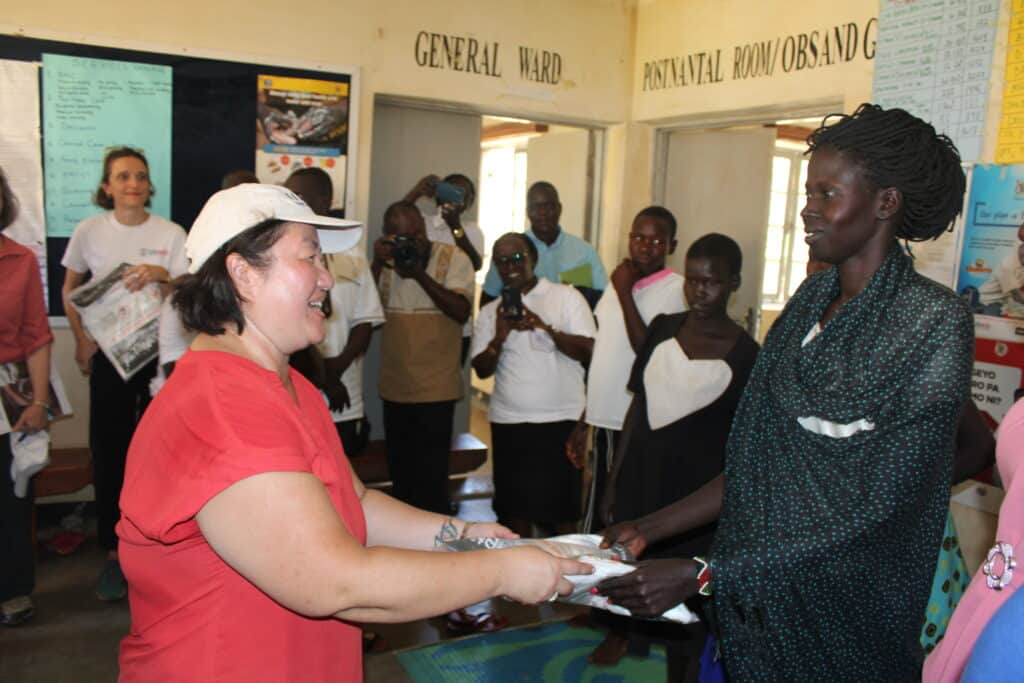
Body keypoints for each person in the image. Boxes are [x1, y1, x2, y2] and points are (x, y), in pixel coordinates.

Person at [115, 183, 590, 682]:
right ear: (242, 274)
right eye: (310, 259)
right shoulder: (224, 406)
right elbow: (333, 582)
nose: (326, 279)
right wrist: (504, 572)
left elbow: (353, 501)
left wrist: (463, 537)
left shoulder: (286, 384)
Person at [599, 103, 973, 681]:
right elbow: (757, 463)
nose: (807, 208)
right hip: (752, 613)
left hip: (843, 625)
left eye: (827, 194)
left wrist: (705, 573)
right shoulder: (804, 307)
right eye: (807, 192)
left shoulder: (929, 322)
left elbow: (879, 512)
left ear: (885, 203)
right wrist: (652, 527)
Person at [591, 234, 759, 677]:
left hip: (692, 503)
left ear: (733, 283)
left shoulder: (748, 356)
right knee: (628, 575)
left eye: (712, 283)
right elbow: (637, 407)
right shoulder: (664, 328)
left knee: (687, 612)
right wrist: (614, 478)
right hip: (641, 482)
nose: (699, 291)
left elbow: (741, 446)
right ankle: (626, 635)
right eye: (693, 280)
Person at [60, 147, 188, 602]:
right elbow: (69, 290)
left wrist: (161, 273)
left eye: (139, 176)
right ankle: (115, 555)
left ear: (149, 185)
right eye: (122, 176)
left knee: (161, 453)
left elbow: (188, 291)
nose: (132, 183)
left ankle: (159, 546)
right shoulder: (89, 231)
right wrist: (79, 338)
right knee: (111, 451)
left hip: (160, 358)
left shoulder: (171, 233)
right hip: (110, 361)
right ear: (106, 186)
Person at [566, 206, 685, 533]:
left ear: (672, 246)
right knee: (596, 503)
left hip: (630, 420)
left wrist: (623, 290)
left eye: (655, 241)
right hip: (603, 417)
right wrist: (584, 419)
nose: (644, 247)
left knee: (616, 509)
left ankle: (609, 578)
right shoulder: (622, 280)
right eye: (637, 237)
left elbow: (647, 352)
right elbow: (606, 354)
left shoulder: (676, 290)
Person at [472, 232, 596, 538]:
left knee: (562, 517)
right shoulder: (491, 312)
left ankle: (568, 578)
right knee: (514, 516)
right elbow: (481, 369)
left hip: (559, 422)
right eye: (501, 260)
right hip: (509, 423)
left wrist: (545, 327)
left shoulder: (565, 297)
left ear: (533, 259)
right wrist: (500, 337)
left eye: (516, 258)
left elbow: (589, 350)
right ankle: (523, 581)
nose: (509, 266)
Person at [372, 201, 474, 514]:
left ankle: (436, 543)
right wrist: (377, 263)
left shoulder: (455, 258)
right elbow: (366, 308)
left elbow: (460, 311)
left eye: (417, 233)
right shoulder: (386, 265)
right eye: (402, 237)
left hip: (436, 388)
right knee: (402, 475)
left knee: (431, 478)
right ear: (389, 237)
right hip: (396, 386)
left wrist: (419, 274)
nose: (412, 242)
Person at [924, 398, 1024, 682]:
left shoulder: (919, 363)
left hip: (913, 543)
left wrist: (911, 497)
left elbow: (980, 446)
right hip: (987, 604)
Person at [286, 168, 383, 457]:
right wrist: (322, 376)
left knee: (344, 482)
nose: (293, 203)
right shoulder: (282, 257)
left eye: (300, 196)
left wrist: (335, 370)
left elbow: (366, 320)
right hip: (299, 391)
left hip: (345, 395)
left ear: (325, 200)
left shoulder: (351, 254)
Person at [0, 167, 53, 626]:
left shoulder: (19, 259)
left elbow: (37, 336)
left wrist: (38, 402)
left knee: (9, 499)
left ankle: (13, 590)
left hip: (8, 395)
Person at [480, 181, 607, 306]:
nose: (542, 213)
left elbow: (604, 300)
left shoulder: (584, 251)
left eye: (548, 206)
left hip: (572, 324)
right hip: (523, 324)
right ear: (527, 212)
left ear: (559, 209)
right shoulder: (511, 250)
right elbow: (488, 300)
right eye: (535, 207)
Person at [405, 173, 485, 271]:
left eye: (461, 194)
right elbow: (395, 218)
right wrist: (417, 192)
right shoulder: (421, 221)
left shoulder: (472, 230)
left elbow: (475, 265)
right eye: (450, 191)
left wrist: (455, 227)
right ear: (438, 194)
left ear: (468, 202)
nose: (453, 198)